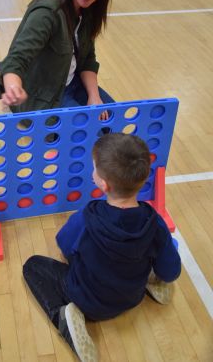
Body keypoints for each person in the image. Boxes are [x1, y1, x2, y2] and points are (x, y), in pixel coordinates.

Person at [23, 133, 181, 360]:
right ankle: (150, 282)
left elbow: (65, 247)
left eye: (94, 168)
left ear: (102, 183)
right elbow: (172, 271)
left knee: (33, 266)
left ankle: (65, 318)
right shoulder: (154, 222)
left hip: (86, 301)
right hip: (131, 297)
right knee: (155, 257)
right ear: (145, 177)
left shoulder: (87, 218)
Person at [0, 0, 114, 118]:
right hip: (44, 95)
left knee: (114, 121)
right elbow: (16, 59)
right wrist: (13, 86)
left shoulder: (88, 9)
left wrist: (94, 97)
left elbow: (87, 59)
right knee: (87, 137)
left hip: (72, 83)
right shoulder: (47, 13)